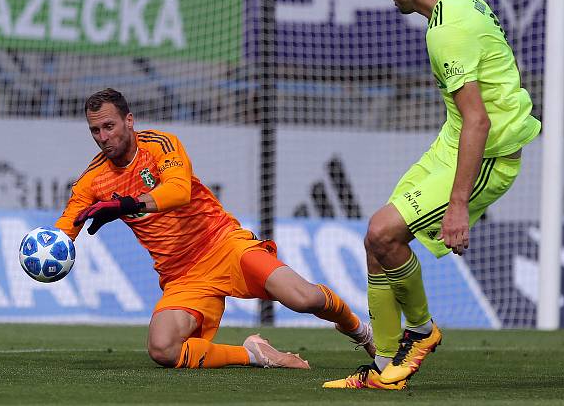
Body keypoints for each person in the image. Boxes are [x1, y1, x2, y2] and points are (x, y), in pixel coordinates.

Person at [323, 0, 540, 390]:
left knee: (385, 233)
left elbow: (479, 120)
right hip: (453, 142)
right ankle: (384, 371)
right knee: (375, 241)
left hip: (486, 154)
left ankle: (420, 331)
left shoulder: (446, 33)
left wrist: (459, 204)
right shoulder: (462, 0)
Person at [55, 88, 375, 370]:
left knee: (304, 299)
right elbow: (66, 226)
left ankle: (360, 331)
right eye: (94, 130)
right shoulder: (93, 179)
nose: (103, 136)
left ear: (129, 121)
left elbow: (178, 191)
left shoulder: (161, 145)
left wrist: (126, 205)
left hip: (223, 245)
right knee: (162, 349)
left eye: (109, 126)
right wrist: (50, 246)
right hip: (182, 275)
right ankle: (254, 354)